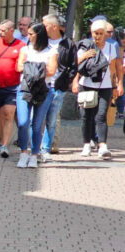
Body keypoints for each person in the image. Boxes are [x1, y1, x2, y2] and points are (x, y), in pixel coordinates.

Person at [72, 20, 124, 159]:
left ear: (106, 35)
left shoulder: (111, 48)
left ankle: (102, 146)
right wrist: (75, 80)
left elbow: (114, 68)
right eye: (96, 33)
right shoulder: (85, 45)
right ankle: (86, 144)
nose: (98, 36)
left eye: (101, 33)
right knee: (86, 116)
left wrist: (117, 85)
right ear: (91, 33)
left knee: (101, 116)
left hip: (105, 86)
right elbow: (76, 65)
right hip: (86, 85)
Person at [15, 22, 57, 168]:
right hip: (25, 88)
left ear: (39, 35)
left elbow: (52, 71)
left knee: (37, 125)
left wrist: (30, 67)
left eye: (31, 34)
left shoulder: (51, 51)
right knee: (22, 122)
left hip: (44, 89)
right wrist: (39, 68)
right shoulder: (25, 49)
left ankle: (34, 154)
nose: (28, 36)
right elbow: (18, 66)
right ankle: (23, 153)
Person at [0, 19, 25, 158]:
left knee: (9, 113)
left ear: (11, 31)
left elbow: (23, 65)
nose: (0, 33)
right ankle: (1, 143)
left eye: (3, 31)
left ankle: (5, 146)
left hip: (13, 86)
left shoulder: (21, 46)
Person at [40, 14, 76, 160]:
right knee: (34, 119)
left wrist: (65, 84)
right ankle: (35, 148)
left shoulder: (68, 44)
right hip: (40, 86)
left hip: (57, 88)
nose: (42, 28)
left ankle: (46, 149)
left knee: (52, 120)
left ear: (54, 26)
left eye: (45, 25)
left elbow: (73, 66)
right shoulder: (41, 41)